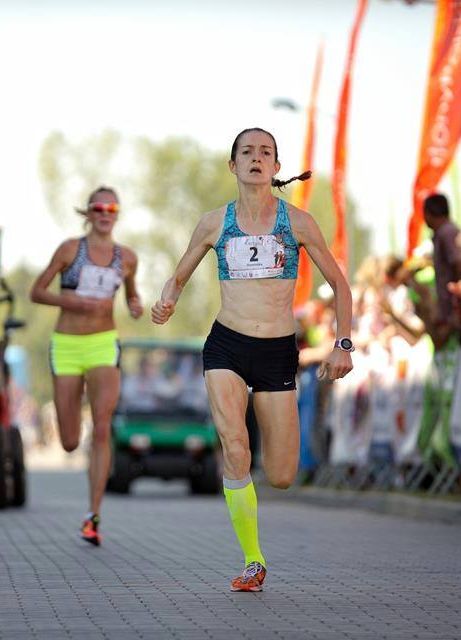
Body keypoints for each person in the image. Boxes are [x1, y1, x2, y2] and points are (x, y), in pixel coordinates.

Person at [151, 128, 353, 592]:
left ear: (276, 167)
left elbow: (340, 286)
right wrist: (167, 301)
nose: (256, 158)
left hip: (277, 351)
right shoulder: (213, 223)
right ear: (233, 165)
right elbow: (177, 278)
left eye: (266, 152)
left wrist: (343, 343)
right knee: (235, 446)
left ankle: (254, 519)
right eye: (247, 151)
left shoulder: (298, 222)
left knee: (281, 475)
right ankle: (252, 559)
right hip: (226, 345)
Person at [30, 186, 143, 546]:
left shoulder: (127, 258)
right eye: (99, 208)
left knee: (102, 428)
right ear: (89, 213)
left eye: (112, 208)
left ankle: (92, 516)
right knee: (68, 441)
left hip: (102, 344)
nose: (105, 214)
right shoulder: (70, 250)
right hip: (67, 345)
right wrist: (74, 303)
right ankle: (81, 448)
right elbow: (37, 291)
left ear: (117, 214)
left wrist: (136, 305)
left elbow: (132, 296)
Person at [422, 193, 461, 342]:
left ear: (428, 213)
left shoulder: (447, 233)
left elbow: (459, 266)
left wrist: (458, 307)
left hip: (455, 313)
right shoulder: (443, 234)